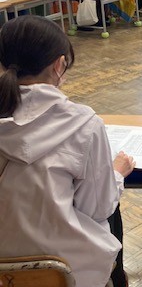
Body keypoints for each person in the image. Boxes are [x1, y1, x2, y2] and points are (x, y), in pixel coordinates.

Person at [0, 16, 135, 287]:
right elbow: (97, 209)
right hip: (66, 271)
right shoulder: (84, 124)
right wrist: (117, 174)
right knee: (110, 208)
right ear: (59, 65)